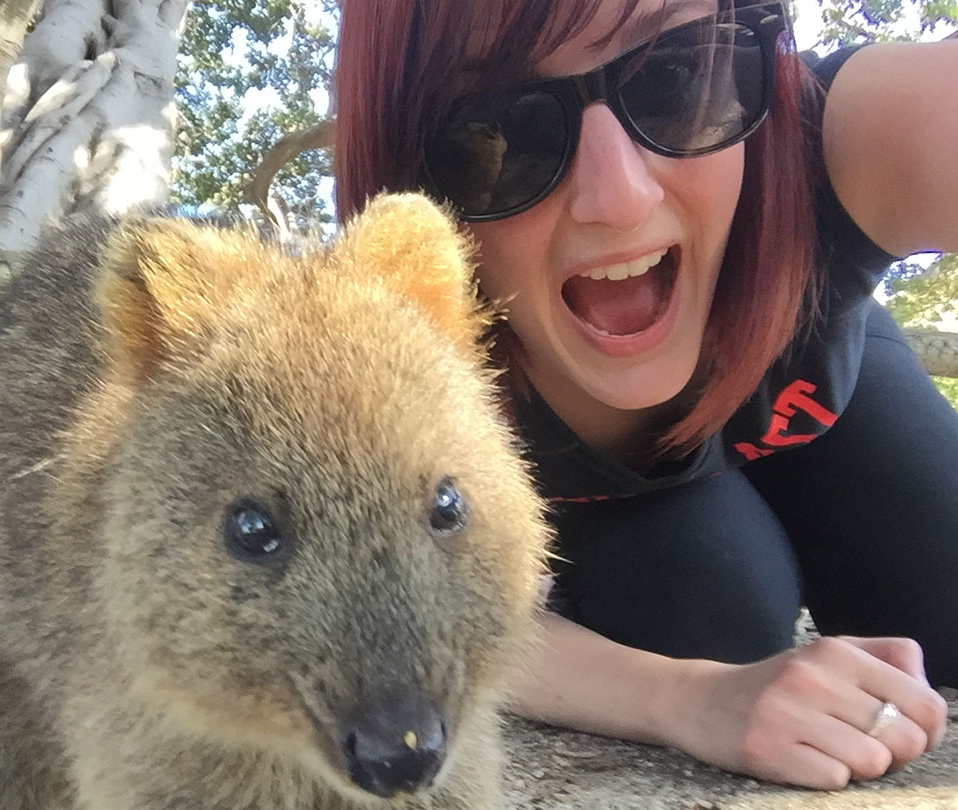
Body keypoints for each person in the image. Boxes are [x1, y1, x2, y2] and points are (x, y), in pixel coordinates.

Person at [332, 0, 958, 792]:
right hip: (640, 522)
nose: (619, 198)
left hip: (833, 399)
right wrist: (683, 700)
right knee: (702, 614)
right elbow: (396, 597)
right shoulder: (411, 342)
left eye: (676, 74)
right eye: (502, 133)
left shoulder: (838, 130)